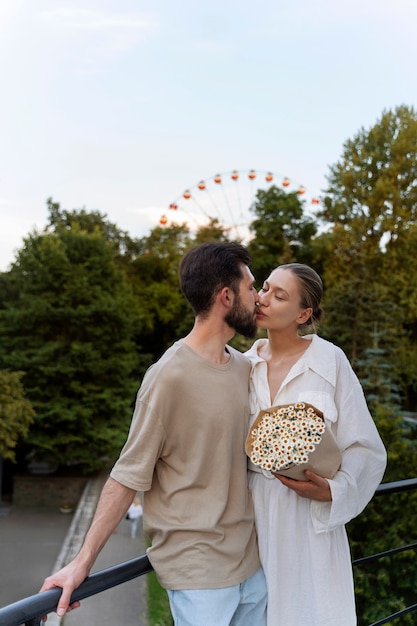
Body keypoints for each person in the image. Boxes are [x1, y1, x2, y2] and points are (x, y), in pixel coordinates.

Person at [41, 241, 267, 626]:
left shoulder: (245, 368)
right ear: (226, 297)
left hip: (254, 567)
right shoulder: (167, 377)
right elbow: (127, 475)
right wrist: (81, 563)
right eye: (252, 287)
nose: (259, 297)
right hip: (199, 577)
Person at [245, 263, 387, 626]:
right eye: (264, 289)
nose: (263, 300)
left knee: (314, 613)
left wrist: (335, 490)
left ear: (303, 314)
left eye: (280, 296)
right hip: (251, 519)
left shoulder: (330, 360)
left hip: (311, 521)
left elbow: (365, 446)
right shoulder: (242, 366)